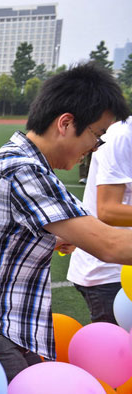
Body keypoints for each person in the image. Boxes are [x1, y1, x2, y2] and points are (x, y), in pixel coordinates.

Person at [0, 63, 130, 384]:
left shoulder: (25, 161)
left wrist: (54, 237)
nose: (94, 148)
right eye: (97, 136)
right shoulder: (21, 169)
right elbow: (109, 243)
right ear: (65, 123)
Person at [67, 118, 132, 324]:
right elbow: (108, 210)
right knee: (118, 352)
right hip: (108, 273)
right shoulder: (123, 136)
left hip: (123, 264)